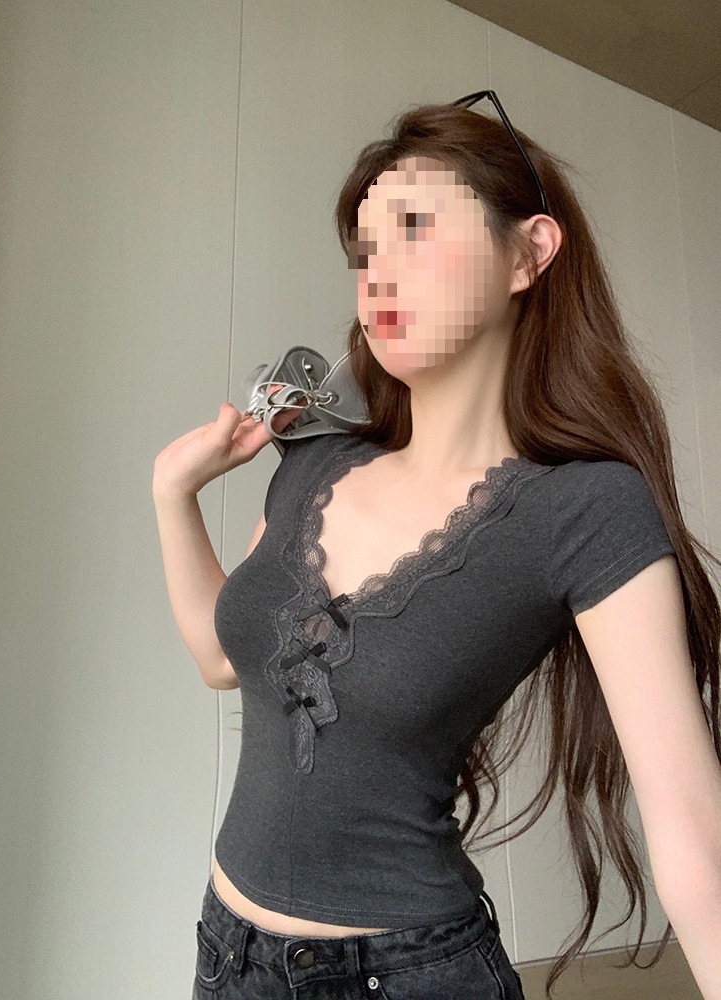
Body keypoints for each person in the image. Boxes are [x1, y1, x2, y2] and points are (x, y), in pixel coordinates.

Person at [153, 99, 721, 1000]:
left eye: (415, 228)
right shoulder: (316, 462)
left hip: (408, 976)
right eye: (364, 251)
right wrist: (172, 494)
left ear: (529, 253)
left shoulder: (584, 509)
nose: (378, 272)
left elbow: (692, 828)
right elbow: (220, 659)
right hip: (228, 958)